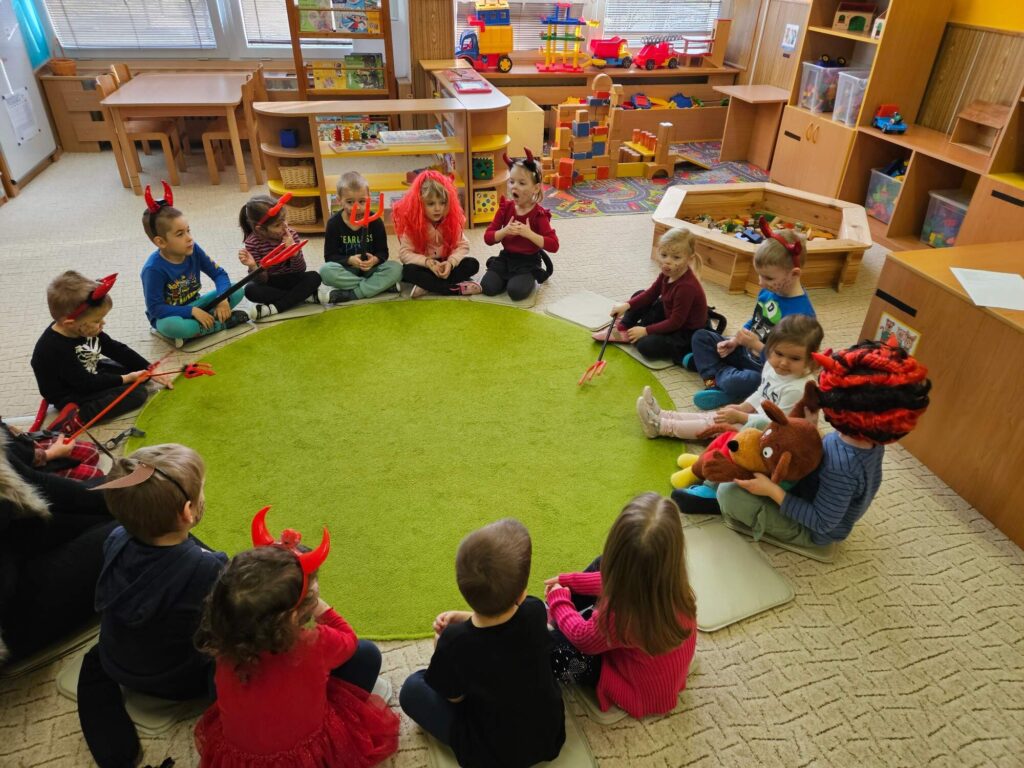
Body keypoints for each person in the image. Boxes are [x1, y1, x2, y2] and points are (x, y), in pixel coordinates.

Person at [193, 512, 398, 768]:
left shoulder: (224, 644)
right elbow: (349, 639)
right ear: (292, 615)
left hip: (243, 757)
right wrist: (320, 607)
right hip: (306, 756)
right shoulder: (314, 643)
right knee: (367, 654)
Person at [76, 444, 228, 768]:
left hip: (120, 663)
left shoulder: (115, 537)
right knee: (229, 659)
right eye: (201, 491)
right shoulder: (208, 568)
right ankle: (230, 733)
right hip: (179, 679)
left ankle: (117, 756)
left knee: (95, 659)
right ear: (187, 512)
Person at [707, 339, 931, 542]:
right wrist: (810, 426)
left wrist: (772, 491)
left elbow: (822, 523)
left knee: (729, 494)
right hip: (806, 483)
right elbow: (825, 455)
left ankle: (714, 485)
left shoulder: (843, 468)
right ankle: (713, 474)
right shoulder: (868, 439)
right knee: (759, 426)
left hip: (811, 530)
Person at [400, 518, 565, 767]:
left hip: (489, 756)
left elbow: (454, 698)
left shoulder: (455, 642)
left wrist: (440, 645)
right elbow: (503, 626)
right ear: (521, 593)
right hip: (549, 738)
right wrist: (464, 619)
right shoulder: (534, 611)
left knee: (412, 688)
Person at [546, 493, 698, 719]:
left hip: (637, 690)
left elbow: (582, 638)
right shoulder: (673, 584)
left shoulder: (622, 616)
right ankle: (563, 615)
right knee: (601, 565)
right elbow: (613, 578)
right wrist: (570, 581)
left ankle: (556, 620)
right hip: (651, 660)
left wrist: (559, 601)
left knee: (553, 651)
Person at [0, 429, 115, 663]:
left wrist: (123, 498)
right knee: (131, 530)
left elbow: (34, 483)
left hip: (13, 539)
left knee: (121, 495)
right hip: (10, 606)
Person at [686, 222, 815, 409]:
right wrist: (735, 341)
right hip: (744, 351)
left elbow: (788, 363)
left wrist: (755, 345)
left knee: (745, 382)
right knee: (700, 337)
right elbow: (756, 321)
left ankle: (714, 375)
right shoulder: (769, 291)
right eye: (759, 275)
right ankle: (715, 379)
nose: (761, 283)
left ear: (794, 274)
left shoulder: (801, 316)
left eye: (768, 278)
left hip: (764, 368)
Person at [637, 314, 824, 440]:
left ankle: (661, 427)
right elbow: (762, 392)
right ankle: (664, 415)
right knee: (715, 416)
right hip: (758, 418)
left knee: (714, 424)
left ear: (811, 359)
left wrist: (741, 416)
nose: (783, 363)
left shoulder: (798, 388)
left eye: (795, 358)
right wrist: (744, 407)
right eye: (778, 353)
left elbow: (779, 424)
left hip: (774, 434)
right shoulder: (772, 365)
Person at [30, 271, 170, 431]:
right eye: (97, 320)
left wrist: (149, 367)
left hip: (88, 371)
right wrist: (127, 378)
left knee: (140, 374)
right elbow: (85, 383)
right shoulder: (55, 348)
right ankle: (78, 418)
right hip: (71, 392)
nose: (103, 323)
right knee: (137, 394)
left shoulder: (81, 328)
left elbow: (116, 349)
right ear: (70, 323)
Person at [140, 184, 251, 347]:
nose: (189, 238)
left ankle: (200, 327)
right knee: (173, 326)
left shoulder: (193, 249)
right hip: (171, 316)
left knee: (236, 290)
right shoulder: (153, 269)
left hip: (198, 304)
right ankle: (221, 324)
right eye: (180, 234)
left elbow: (219, 274)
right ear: (161, 242)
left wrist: (222, 299)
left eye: (188, 230)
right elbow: (156, 308)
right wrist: (191, 311)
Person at [591, 228, 708, 363]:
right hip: (670, 315)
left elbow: (676, 322)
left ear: (689, 259)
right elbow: (651, 294)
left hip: (684, 332)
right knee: (639, 295)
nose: (667, 262)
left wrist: (646, 330)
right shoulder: (667, 273)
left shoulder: (686, 287)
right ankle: (623, 327)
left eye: (676, 257)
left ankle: (636, 330)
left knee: (645, 346)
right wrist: (626, 305)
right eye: (664, 255)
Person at [481, 149, 558, 301]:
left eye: (521, 183)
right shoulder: (505, 208)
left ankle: (525, 277)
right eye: (511, 182)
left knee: (515, 292)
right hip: (507, 257)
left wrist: (529, 234)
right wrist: (505, 231)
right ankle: (507, 277)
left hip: (528, 261)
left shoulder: (539, 214)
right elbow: (488, 238)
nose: (514, 187)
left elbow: (554, 245)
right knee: (488, 287)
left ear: (535, 188)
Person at [392, 170, 481, 298]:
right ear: (420, 204)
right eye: (431, 203)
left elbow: (463, 246)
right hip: (425, 265)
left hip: (445, 263)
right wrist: (427, 262)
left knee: (472, 264)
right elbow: (404, 254)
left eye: (442, 203)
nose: (438, 208)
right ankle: (452, 289)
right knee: (407, 271)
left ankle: (428, 286)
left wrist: (450, 263)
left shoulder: (451, 221)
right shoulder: (413, 224)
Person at [319, 172, 402, 304]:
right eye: (350, 202)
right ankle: (377, 286)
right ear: (339, 200)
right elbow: (330, 256)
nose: (356, 207)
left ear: (369, 199)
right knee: (325, 271)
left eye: (362, 201)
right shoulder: (334, 223)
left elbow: (383, 252)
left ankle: (353, 293)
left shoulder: (376, 222)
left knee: (397, 269)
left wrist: (374, 260)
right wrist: (350, 260)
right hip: (347, 270)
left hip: (371, 270)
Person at [237, 195, 321, 320]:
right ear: (260, 229)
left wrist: (294, 253)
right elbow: (261, 281)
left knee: (315, 276)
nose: (285, 226)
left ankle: (276, 307)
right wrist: (253, 266)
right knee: (250, 290)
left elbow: (300, 269)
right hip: (271, 282)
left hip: (292, 277)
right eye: (277, 225)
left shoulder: (291, 235)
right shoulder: (252, 243)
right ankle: (302, 297)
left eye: (284, 220)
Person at [1, 417, 105, 481]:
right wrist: (51, 454)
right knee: (96, 476)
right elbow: (12, 463)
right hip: (17, 474)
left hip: (18, 450)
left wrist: (14, 432)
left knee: (91, 451)